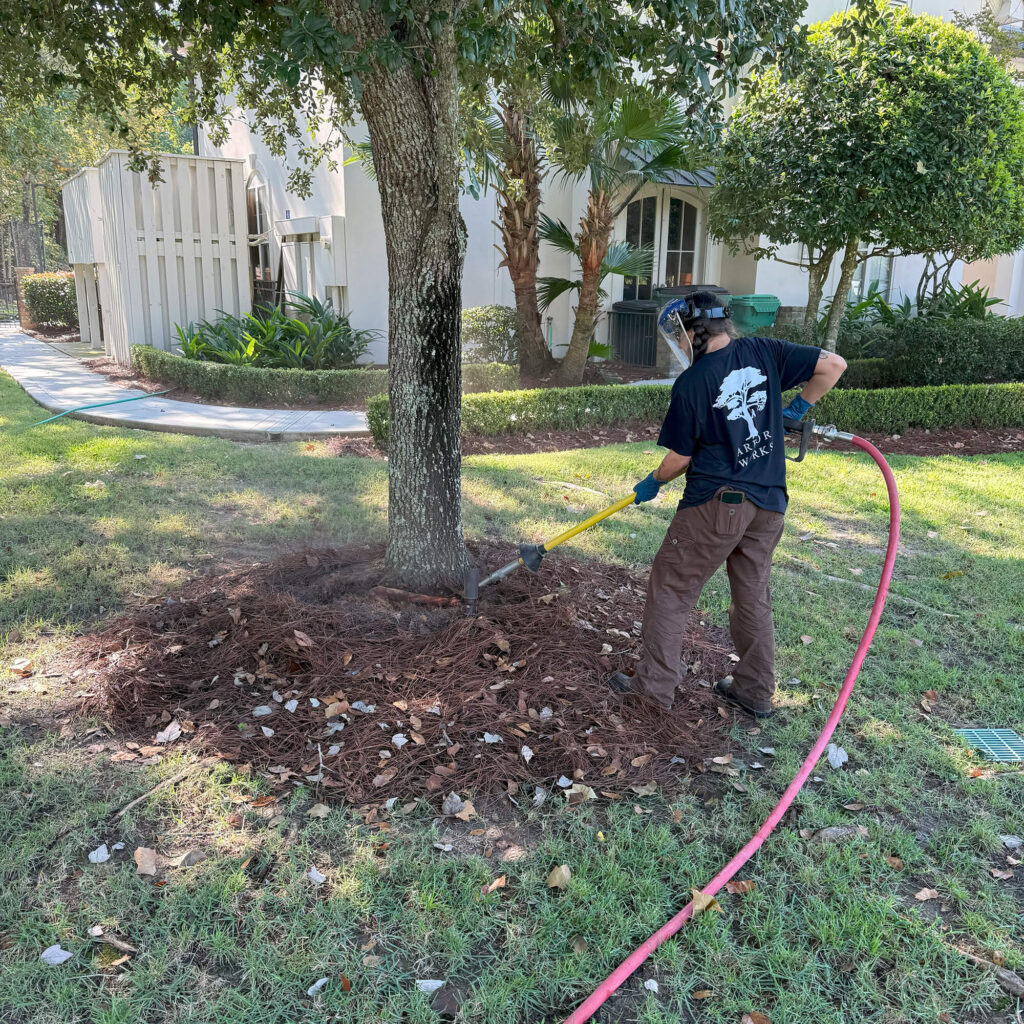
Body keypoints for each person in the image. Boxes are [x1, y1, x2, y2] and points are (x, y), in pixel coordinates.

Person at [609, 292, 847, 719]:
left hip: (716, 506)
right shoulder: (763, 350)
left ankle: (651, 692)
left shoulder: (693, 383)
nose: (678, 346)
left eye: (677, 337)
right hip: (770, 502)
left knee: (671, 590)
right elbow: (833, 365)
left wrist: (653, 481)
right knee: (752, 596)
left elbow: (680, 459)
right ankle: (754, 691)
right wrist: (798, 407)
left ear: (692, 332)